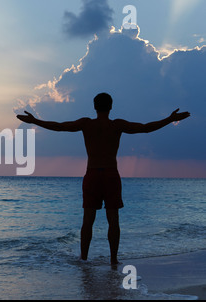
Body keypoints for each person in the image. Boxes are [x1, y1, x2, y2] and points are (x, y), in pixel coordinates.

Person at [16, 92, 190, 265]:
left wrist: (35, 121)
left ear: (94, 106)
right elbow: (145, 128)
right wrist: (169, 119)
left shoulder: (86, 124)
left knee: (88, 220)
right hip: (111, 175)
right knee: (113, 220)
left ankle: (84, 258)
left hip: (92, 174)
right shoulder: (116, 125)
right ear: (111, 106)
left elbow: (60, 126)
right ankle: (113, 259)